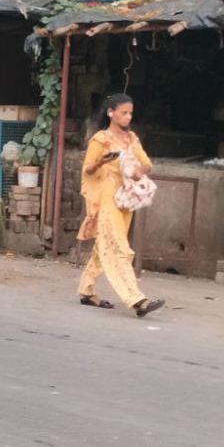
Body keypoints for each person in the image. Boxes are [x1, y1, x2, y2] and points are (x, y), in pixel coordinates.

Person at [77, 93, 164, 318]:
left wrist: (138, 171)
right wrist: (102, 161)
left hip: (125, 200)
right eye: (124, 113)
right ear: (110, 113)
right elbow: (87, 169)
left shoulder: (132, 139)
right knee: (119, 249)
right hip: (106, 199)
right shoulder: (100, 139)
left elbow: (147, 164)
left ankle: (86, 290)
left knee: (105, 246)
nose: (128, 117)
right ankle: (136, 300)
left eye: (130, 113)